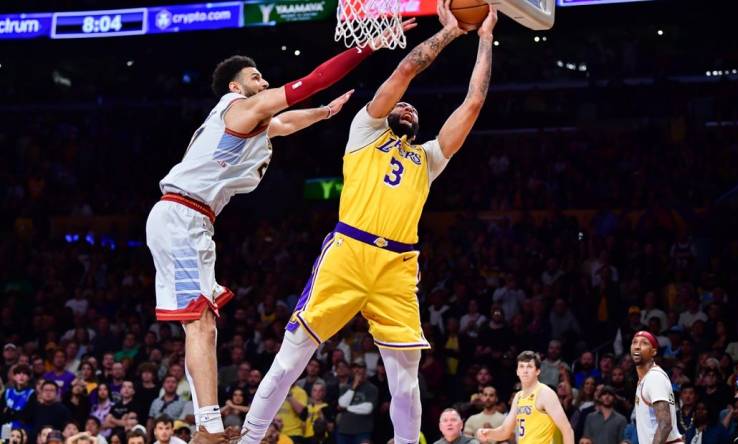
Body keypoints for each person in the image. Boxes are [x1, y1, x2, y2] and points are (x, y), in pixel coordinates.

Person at [144, 19, 412, 444]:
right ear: (235, 88)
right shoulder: (240, 109)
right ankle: (208, 430)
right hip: (180, 216)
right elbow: (310, 82)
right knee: (199, 322)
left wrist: (325, 114)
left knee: (205, 323)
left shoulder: (254, 125)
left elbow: (286, 123)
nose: (263, 80)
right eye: (255, 77)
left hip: (195, 221)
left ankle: (207, 426)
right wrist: (370, 47)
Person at [240, 2, 497, 444]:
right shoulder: (364, 131)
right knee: (291, 359)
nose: (408, 108)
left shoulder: (428, 158)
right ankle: (248, 438)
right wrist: (451, 32)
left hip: (397, 266)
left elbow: (473, 102)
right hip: (349, 251)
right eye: (404, 106)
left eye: (415, 110)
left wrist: (486, 37)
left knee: (405, 379)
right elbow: (405, 72)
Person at [476, 351, 574, 444]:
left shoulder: (545, 393)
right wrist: (488, 433)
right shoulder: (518, 397)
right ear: (517, 371)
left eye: (529, 367)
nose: (525, 371)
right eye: (521, 367)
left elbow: (567, 430)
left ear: (538, 371)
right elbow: (505, 431)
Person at [630, 331, 682, 444]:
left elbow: (665, 424)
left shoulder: (654, 377)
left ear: (654, 351)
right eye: (634, 342)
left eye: (644, 343)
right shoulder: (644, 380)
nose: (637, 347)